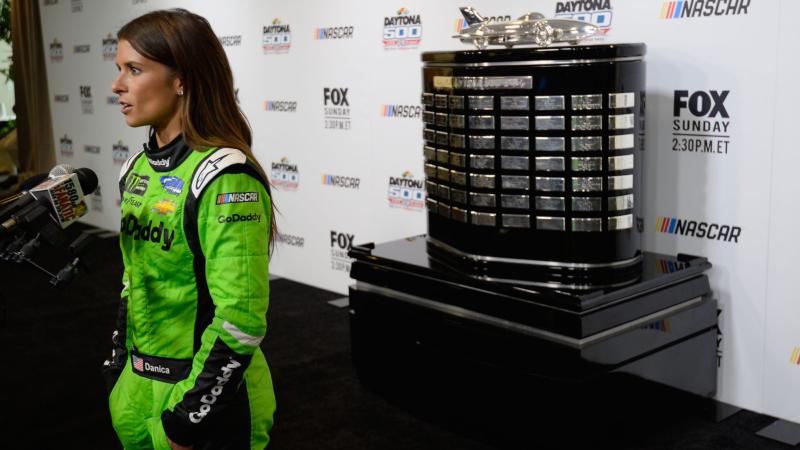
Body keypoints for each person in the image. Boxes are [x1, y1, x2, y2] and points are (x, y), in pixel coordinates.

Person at [102, 9, 276, 450]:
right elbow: (132, 282)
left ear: (182, 79)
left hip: (199, 401)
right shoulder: (135, 169)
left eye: (134, 70)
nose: (117, 85)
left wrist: (191, 418)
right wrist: (118, 369)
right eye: (119, 69)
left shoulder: (224, 176)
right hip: (137, 388)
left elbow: (240, 318)